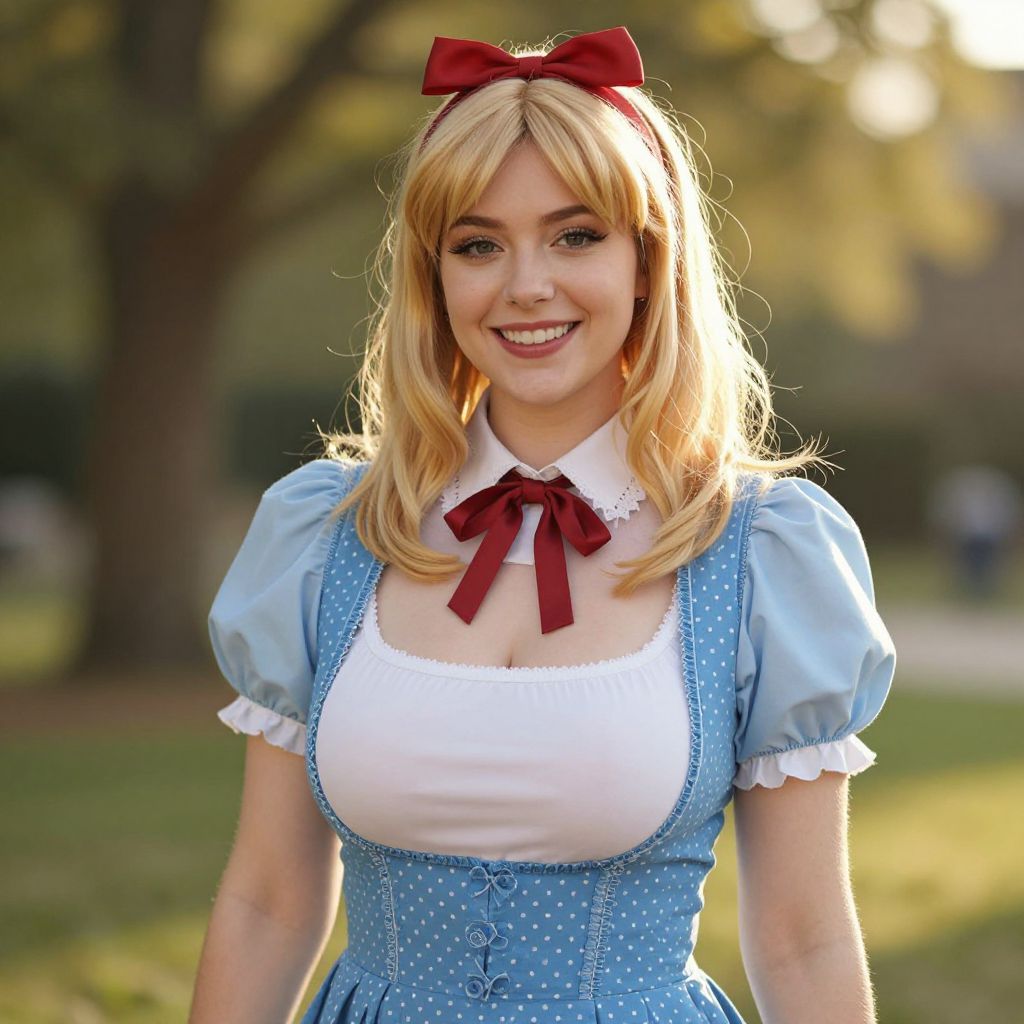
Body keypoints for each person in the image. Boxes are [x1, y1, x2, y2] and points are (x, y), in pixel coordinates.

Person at [188, 26, 897, 1024]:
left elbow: (802, 933)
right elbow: (267, 901)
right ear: (434, 277)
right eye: (478, 244)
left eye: (576, 235)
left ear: (649, 260)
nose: (527, 285)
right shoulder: (328, 534)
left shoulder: (760, 553)